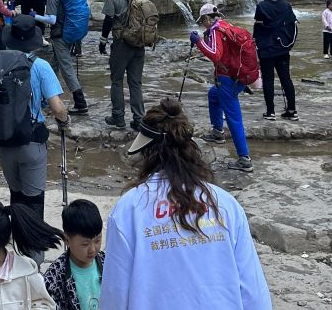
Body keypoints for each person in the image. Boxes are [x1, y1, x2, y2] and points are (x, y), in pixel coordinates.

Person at [100, 97, 271, 309]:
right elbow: (254, 292)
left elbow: (115, 294)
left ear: (147, 153)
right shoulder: (224, 203)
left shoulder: (129, 209)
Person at [0, 14, 68, 265]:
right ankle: (33, 261)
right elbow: (57, 107)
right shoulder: (40, 66)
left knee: (16, 198)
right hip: (32, 143)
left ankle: (17, 255)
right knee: (33, 201)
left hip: (3, 143)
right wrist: (64, 119)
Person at [191, 4, 254, 172]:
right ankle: (217, 132)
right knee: (213, 95)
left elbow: (215, 55)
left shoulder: (215, 31)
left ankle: (244, 159)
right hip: (237, 76)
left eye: (202, 21)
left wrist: (198, 42)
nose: (202, 25)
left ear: (207, 18)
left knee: (234, 118)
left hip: (226, 79)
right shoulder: (226, 26)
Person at [33, 0, 89, 115]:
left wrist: (35, 16)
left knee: (66, 69)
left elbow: (52, 20)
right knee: (52, 66)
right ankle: (47, 98)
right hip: (69, 35)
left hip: (60, 37)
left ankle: (80, 103)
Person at [99, 0, 145, 130]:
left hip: (121, 44)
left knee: (117, 80)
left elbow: (108, 21)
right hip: (139, 43)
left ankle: (118, 117)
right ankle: (139, 119)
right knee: (135, 83)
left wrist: (103, 41)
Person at [42, 199, 105, 310]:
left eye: (97, 240)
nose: (92, 249)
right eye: (85, 244)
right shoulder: (54, 277)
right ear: (67, 240)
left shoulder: (107, 263)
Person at [253, 0, 298, 121]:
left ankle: (270, 112)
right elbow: (292, 25)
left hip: (266, 49)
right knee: (286, 79)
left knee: (268, 80)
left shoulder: (261, 6)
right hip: (283, 47)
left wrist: (255, 46)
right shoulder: (286, 6)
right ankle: (292, 110)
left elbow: (258, 29)